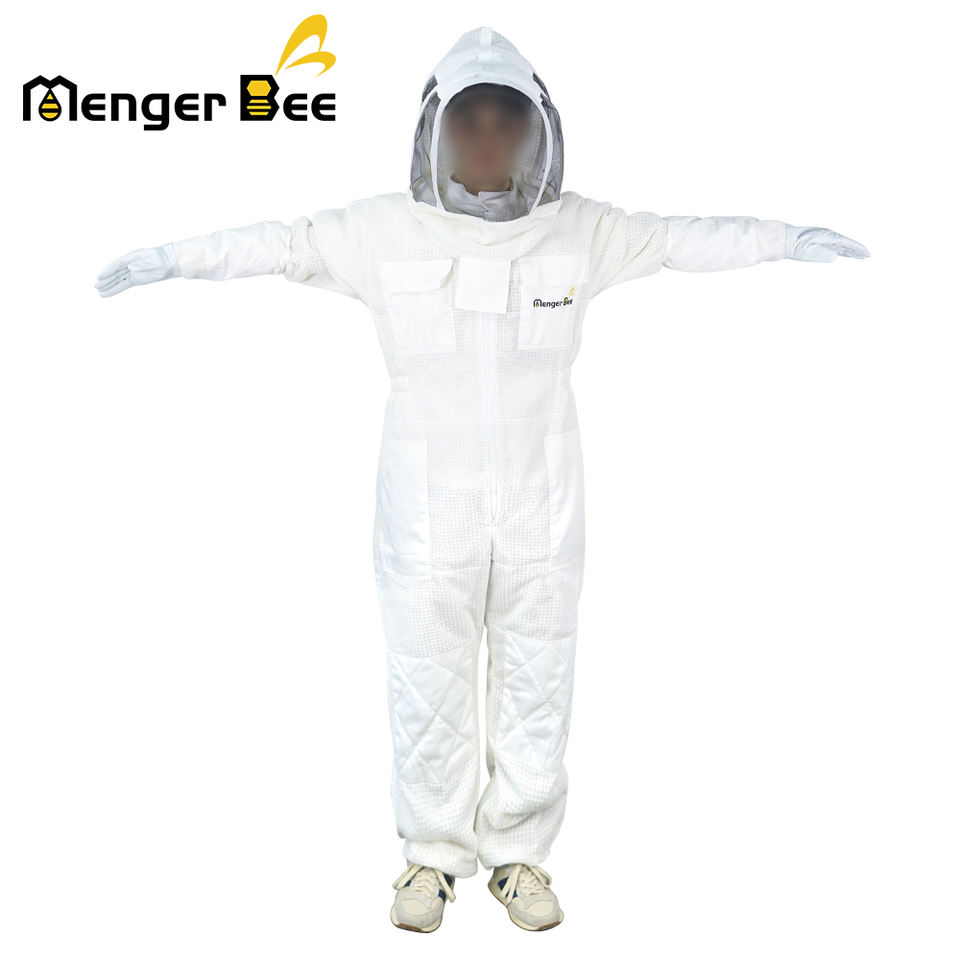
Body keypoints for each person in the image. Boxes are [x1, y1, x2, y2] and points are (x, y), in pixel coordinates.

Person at [94, 25, 870, 934]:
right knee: (426, 681)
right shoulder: (382, 232)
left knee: (540, 676)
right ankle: (430, 859)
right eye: (471, 119)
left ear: (537, 131)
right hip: (428, 510)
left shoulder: (579, 232)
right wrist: (171, 258)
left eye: (508, 119)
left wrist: (784, 238)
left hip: (543, 504)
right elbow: (278, 245)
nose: (489, 137)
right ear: (438, 131)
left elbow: (679, 240)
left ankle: (520, 856)